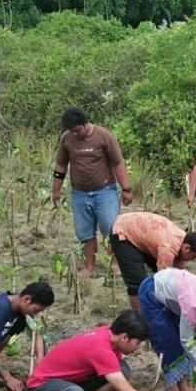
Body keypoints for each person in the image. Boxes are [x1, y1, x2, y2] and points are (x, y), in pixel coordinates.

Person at [27, 310, 192, 391]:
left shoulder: (108, 334)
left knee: (122, 370)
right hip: (40, 388)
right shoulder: (101, 350)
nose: (139, 348)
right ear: (124, 337)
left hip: (68, 380)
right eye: (137, 343)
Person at [51, 107, 133, 277]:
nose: (74, 134)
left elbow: (118, 163)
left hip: (105, 191)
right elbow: (60, 165)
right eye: (71, 131)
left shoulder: (104, 136)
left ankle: (116, 264)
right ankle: (89, 267)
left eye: (77, 130)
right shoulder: (67, 139)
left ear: (84, 123)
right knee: (85, 232)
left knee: (111, 229)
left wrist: (126, 189)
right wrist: (55, 190)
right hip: (79, 193)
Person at [110, 212, 196, 311]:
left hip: (140, 231)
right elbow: (164, 281)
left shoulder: (182, 240)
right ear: (187, 248)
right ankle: (139, 317)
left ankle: (148, 308)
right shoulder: (168, 248)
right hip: (123, 231)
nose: (193, 260)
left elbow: (178, 276)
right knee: (137, 283)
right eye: (194, 257)